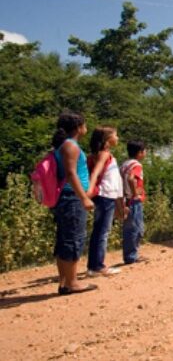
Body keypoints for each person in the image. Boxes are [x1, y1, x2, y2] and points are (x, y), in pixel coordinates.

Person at [51, 112, 97, 295]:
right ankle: (72, 283)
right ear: (78, 127)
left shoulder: (63, 145)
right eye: (84, 124)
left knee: (65, 238)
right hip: (72, 197)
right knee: (73, 239)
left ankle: (65, 282)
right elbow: (71, 174)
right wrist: (84, 197)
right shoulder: (71, 146)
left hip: (66, 197)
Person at [86, 126, 123, 277]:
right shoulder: (104, 154)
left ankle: (93, 265)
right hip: (105, 195)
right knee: (102, 232)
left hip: (105, 195)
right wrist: (89, 188)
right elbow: (96, 171)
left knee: (99, 231)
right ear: (107, 140)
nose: (118, 138)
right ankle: (98, 266)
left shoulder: (101, 154)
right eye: (115, 135)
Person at [121, 140, 147, 264]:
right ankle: (132, 255)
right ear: (140, 153)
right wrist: (135, 194)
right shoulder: (136, 165)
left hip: (124, 199)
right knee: (137, 227)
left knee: (128, 228)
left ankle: (129, 255)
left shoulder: (124, 164)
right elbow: (132, 178)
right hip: (133, 200)